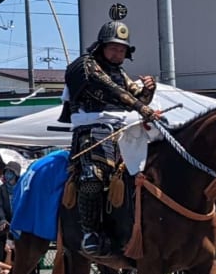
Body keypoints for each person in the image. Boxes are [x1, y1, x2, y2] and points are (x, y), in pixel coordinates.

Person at [61, 19, 160, 255]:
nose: (118, 54)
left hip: (124, 129)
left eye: (122, 50)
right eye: (114, 48)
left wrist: (149, 88)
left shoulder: (121, 73)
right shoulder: (85, 66)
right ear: (101, 46)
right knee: (93, 176)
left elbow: (139, 98)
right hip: (92, 131)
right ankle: (90, 232)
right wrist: (139, 105)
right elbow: (109, 89)